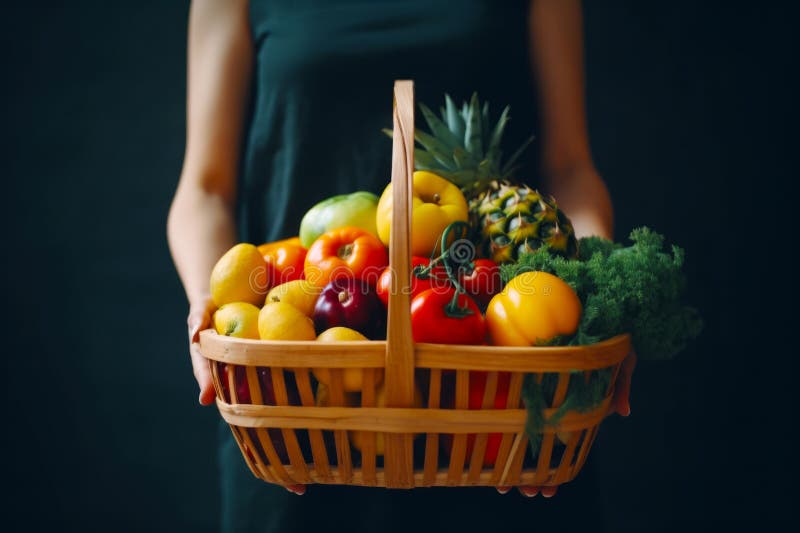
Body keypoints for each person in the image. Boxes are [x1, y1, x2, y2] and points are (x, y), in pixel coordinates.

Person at [167, 0, 636, 531]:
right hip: (298, 405)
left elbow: (572, 169)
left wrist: (602, 299)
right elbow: (203, 189)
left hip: (495, 411)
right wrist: (205, 301)